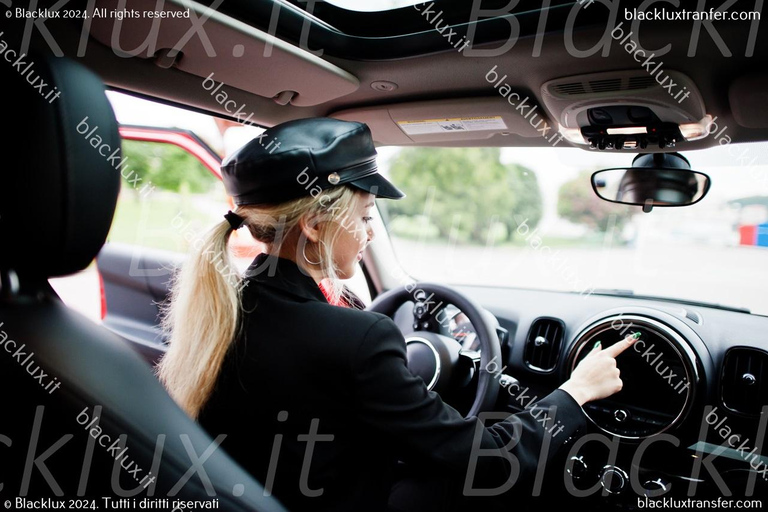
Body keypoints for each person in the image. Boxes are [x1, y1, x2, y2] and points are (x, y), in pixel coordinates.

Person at [157, 118, 633, 512]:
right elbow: (479, 457)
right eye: (365, 217)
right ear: (315, 226)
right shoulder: (358, 338)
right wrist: (575, 392)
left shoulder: (221, 310)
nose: (369, 233)